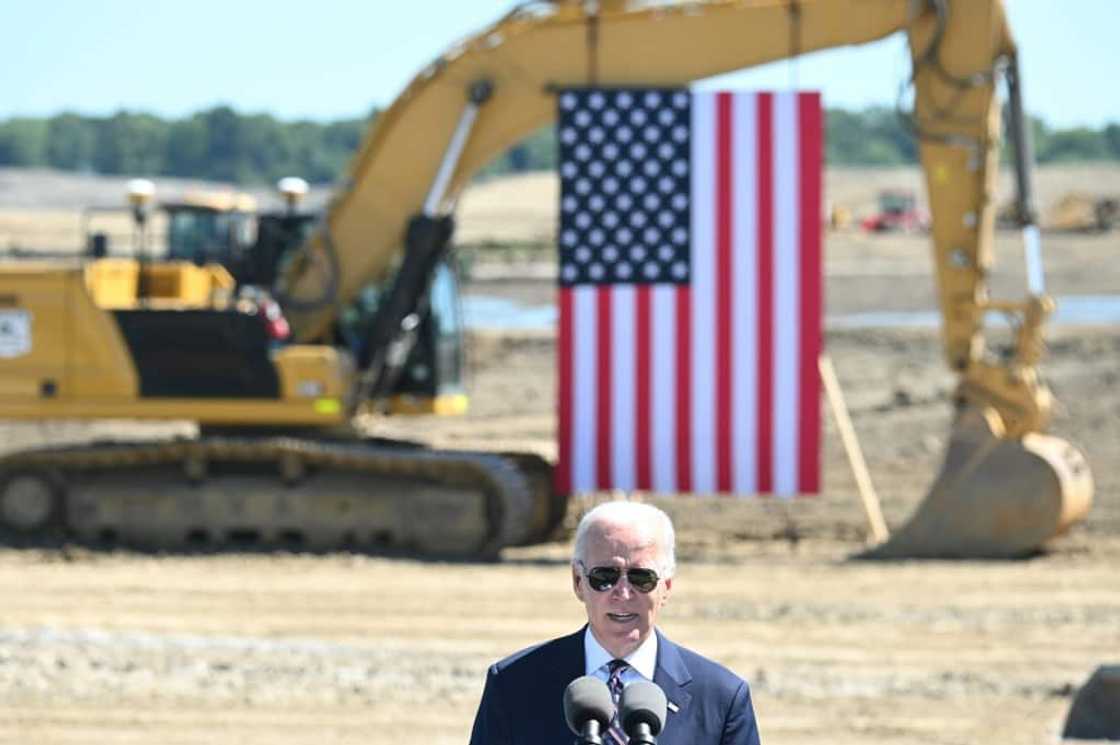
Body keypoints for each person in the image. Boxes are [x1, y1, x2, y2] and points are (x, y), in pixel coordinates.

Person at [468, 500, 762, 744]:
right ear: (578, 582)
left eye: (641, 578)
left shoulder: (722, 698)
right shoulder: (513, 685)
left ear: (666, 588)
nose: (622, 593)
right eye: (604, 577)